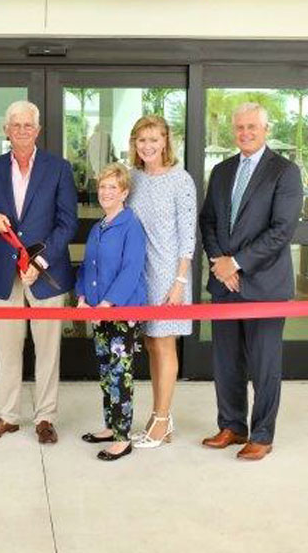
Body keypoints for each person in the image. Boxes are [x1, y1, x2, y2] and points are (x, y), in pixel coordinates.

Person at [199, 102, 303, 461]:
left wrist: (237, 264)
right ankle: (232, 426)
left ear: (265, 130)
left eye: (252, 127)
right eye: (240, 127)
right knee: (226, 362)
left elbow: (281, 231)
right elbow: (208, 220)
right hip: (223, 285)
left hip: (265, 286)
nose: (245, 133)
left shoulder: (284, 172)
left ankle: (261, 434)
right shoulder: (222, 170)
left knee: (264, 365)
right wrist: (219, 263)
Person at [0, 100, 78, 445]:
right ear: (6, 130)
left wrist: (39, 261)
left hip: (45, 273)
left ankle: (45, 417)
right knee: (6, 347)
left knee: (48, 348)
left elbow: (68, 223)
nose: (21, 131)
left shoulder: (59, 168)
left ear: (38, 130)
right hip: (7, 273)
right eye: (15, 125)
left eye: (28, 125)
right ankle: (8, 416)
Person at [125, 115, 197, 449]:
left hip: (170, 273)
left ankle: (163, 419)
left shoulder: (181, 180)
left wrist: (180, 280)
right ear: (134, 144)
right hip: (143, 273)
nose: (148, 146)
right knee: (151, 344)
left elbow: (187, 235)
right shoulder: (134, 178)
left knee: (164, 343)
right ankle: (159, 417)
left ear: (166, 141)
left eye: (154, 139)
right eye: (142, 140)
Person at [76, 163, 147, 461]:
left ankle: (122, 437)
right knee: (106, 371)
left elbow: (131, 270)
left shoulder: (131, 225)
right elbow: (86, 266)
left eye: (112, 188)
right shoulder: (98, 226)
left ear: (124, 193)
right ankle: (110, 425)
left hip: (121, 312)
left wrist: (107, 304)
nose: (105, 192)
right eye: (102, 186)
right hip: (97, 311)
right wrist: (82, 297)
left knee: (120, 374)